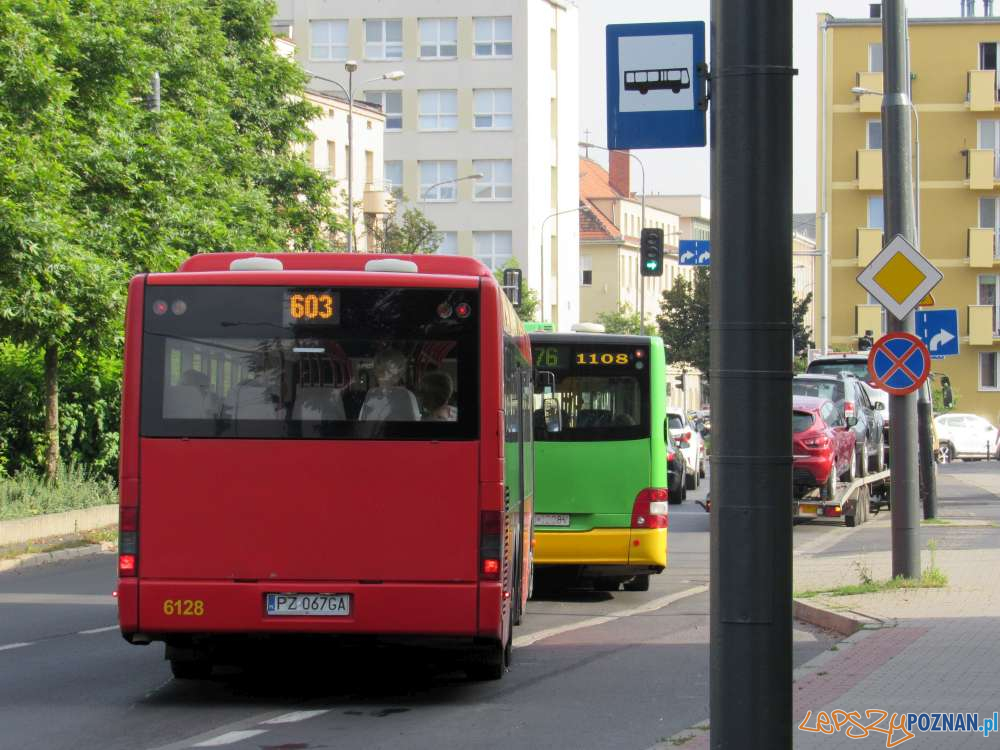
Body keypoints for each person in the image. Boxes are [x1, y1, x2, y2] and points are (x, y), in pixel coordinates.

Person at [359, 348, 420, 421]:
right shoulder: (408, 395)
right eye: (382, 372)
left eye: (392, 374)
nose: (386, 378)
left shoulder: (370, 395)